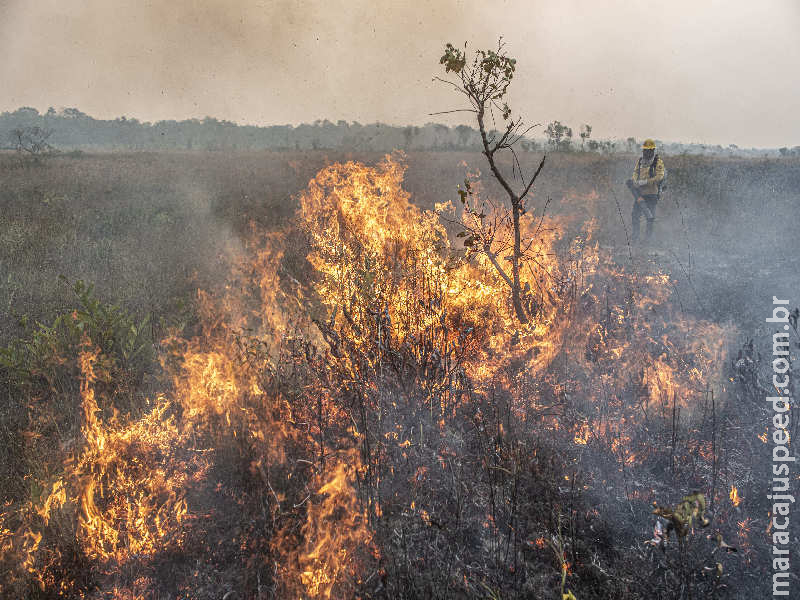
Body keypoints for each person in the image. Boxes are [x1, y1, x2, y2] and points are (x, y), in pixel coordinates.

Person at [627, 139, 665, 242]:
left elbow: (660, 177)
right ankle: (635, 236)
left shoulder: (658, 162)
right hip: (640, 194)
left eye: (648, 150)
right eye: (644, 150)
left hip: (652, 194)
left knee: (650, 217)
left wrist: (645, 182)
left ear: (652, 150)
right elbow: (635, 172)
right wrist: (635, 181)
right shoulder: (640, 161)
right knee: (635, 215)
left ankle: (648, 239)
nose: (646, 152)